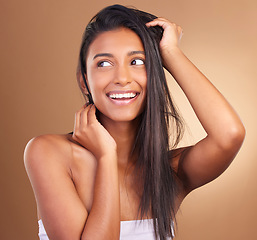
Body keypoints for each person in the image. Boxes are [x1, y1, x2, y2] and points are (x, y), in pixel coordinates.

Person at [24, 4, 245, 240]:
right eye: (104, 64)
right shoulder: (48, 153)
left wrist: (170, 53)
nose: (122, 78)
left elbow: (229, 135)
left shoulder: (168, 172)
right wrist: (106, 156)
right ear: (83, 80)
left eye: (138, 62)